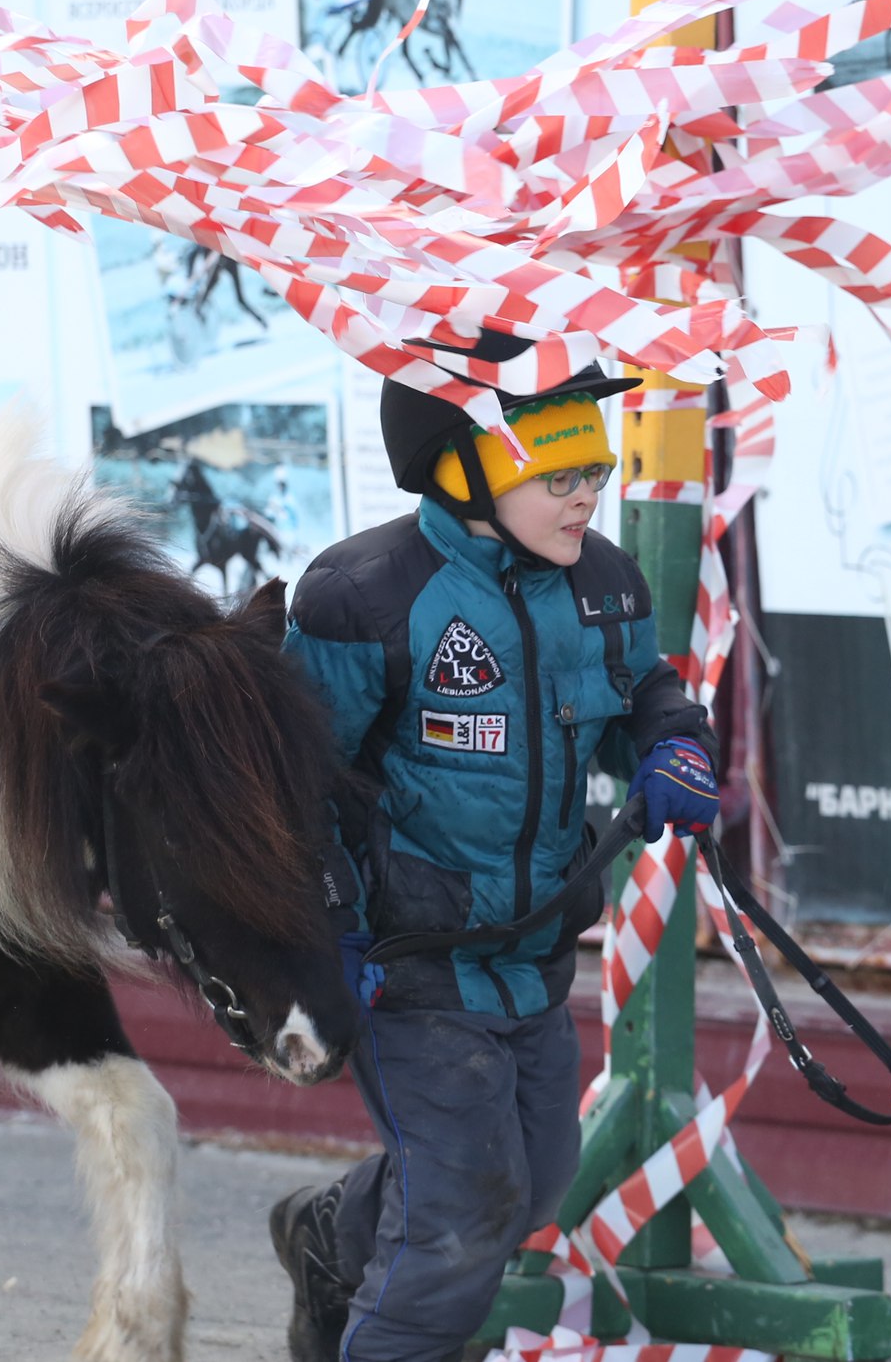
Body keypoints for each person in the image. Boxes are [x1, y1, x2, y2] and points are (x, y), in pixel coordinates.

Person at [270, 334, 720, 1362]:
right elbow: (295, 787)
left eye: (595, 472)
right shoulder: (361, 594)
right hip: (407, 970)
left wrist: (671, 746)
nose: (585, 498)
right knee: (460, 1228)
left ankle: (328, 1234)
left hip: (530, 958)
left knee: (533, 1181)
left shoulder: (598, 581)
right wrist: (324, 934)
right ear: (461, 465)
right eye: (556, 476)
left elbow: (643, 692)